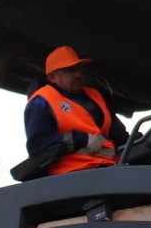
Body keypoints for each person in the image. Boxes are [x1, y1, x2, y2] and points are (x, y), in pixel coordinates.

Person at [24, 46, 130, 176]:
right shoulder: (42, 101)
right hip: (73, 181)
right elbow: (36, 145)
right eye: (70, 70)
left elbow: (121, 137)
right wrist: (81, 139)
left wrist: (144, 142)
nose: (79, 75)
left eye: (79, 68)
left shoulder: (96, 96)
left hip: (113, 172)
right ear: (52, 77)